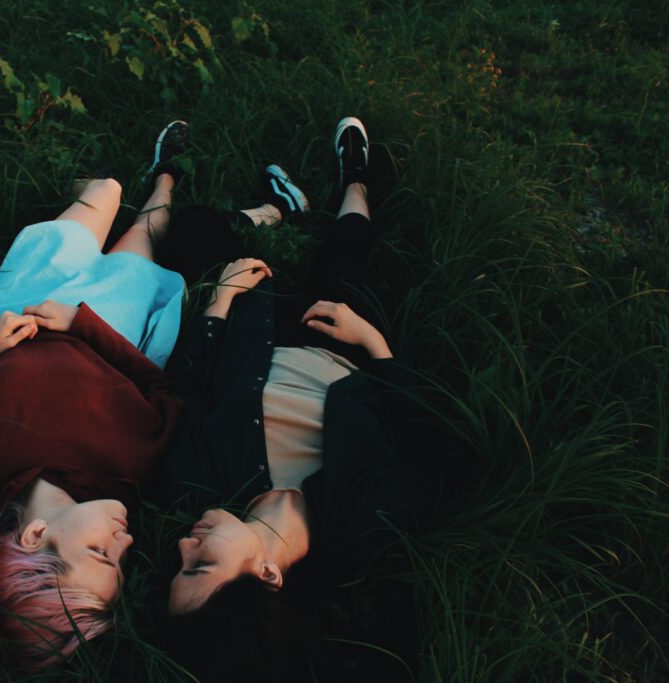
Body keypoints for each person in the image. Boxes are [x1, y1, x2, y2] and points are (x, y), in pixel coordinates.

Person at [0, 121, 192, 667]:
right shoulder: (128, 471)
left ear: (33, 536)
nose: (125, 544)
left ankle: (97, 193)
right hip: (108, 322)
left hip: (26, 302)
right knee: (144, 233)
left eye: (100, 553)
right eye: (121, 563)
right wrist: (85, 325)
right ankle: (167, 177)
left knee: (104, 191)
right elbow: (159, 387)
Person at [159, 117, 449, 681]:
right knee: (346, 257)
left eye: (179, 564)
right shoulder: (365, 524)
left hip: (256, 325)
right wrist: (373, 342)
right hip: (343, 339)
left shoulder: (196, 482)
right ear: (267, 574)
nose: (184, 544)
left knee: (192, 235)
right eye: (201, 565)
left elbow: (186, 389)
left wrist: (219, 304)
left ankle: (279, 209)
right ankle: (355, 180)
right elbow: (431, 446)